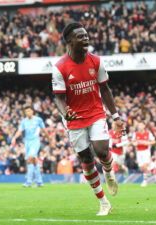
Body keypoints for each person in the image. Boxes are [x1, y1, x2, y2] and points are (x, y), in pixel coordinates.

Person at [51, 22, 126, 216]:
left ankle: (108, 171)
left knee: (101, 150)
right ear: (69, 41)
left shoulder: (96, 61)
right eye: (80, 36)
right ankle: (103, 202)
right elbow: (58, 97)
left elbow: (105, 89)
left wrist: (116, 116)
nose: (85, 38)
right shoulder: (60, 67)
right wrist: (65, 112)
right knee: (85, 157)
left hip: (95, 112)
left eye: (86, 35)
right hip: (74, 117)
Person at [11, 105, 50, 187]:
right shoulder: (24, 121)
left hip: (35, 141)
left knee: (30, 159)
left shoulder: (38, 120)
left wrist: (49, 139)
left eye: (29, 111)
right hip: (27, 143)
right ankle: (39, 181)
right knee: (34, 161)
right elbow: (20, 131)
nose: (27, 112)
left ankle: (29, 181)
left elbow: (44, 130)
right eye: (26, 111)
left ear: (32, 111)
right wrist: (14, 138)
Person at [132, 122, 156, 187]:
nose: (139, 126)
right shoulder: (135, 134)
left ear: (144, 126)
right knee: (141, 167)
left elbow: (154, 141)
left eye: (141, 125)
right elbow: (133, 141)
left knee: (145, 166)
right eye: (139, 125)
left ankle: (145, 181)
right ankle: (150, 169)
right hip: (138, 152)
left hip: (146, 151)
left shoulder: (148, 133)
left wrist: (147, 143)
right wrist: (135, 144)